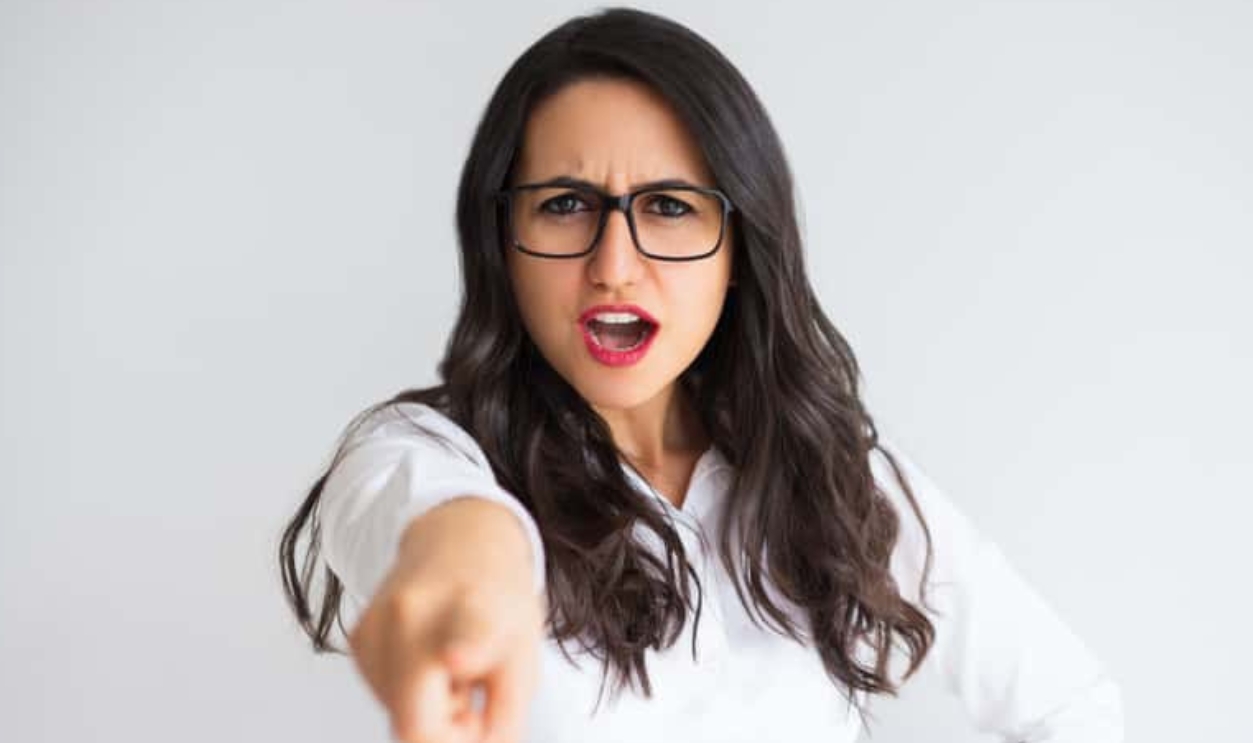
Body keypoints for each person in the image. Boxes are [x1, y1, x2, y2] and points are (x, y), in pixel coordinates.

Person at [279, 7, 1124, 743]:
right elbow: (449, 538)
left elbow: (1071, 707)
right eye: (565, 204)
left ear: (737, 251)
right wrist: (470, 590)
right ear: (501, 243)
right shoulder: (416, 455)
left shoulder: (825, 469)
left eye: (671, 206)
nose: (613, 265)